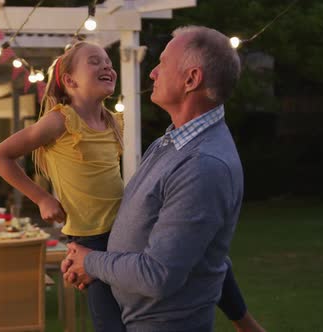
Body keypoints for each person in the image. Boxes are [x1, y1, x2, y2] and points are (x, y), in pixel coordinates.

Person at [60, 26, 265, 332]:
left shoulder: (203, 165)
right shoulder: (170, 143)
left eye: (163, 64)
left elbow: (158, 274)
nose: (153, 73)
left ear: (191, 79)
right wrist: (96, 266)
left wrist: (91, 261)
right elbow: (196, 250)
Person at [0, 41, 126, 332]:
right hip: (88, 238)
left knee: (135, 313)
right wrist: (41, 198)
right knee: (110, 323)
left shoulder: (113, 121)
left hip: (124, 231)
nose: (107, 66)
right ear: (69, 80)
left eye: (108, 62)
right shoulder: (61, 120)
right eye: (94, 61)